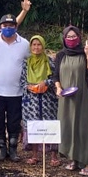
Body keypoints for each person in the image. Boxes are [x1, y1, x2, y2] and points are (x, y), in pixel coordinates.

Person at [0, 14, 30, 161]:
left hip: (16, 92)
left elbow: (31, 64)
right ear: (0, 28)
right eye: (5, 26)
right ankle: (2, 149)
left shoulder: (25, 44)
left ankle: (13, 150)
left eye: (11, 26)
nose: (8, 28)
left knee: (14, 122)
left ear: (16, 27)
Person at [54, 26, 88, 175]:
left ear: (79, 37)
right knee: (68, 127)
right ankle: (72, 158)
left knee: (83, 127)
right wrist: (58, 88)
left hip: (83, 96)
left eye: (74, 36)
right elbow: (55, 76)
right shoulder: (60, 55)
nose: (71, 39)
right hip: (66, 97)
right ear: (64, 38)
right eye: (69, 37)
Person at [21, 35, 60, 166]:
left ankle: (54, 157)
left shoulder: (49, 61)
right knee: (33, 126)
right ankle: (34, 155)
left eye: (39, 45)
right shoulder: (26, 62)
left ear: (43, 46)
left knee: (50, 125)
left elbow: (56, 78)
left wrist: (46, 83)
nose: (36, 47)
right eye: (34, 45)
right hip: (31, 100)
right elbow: (22, 81)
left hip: (48, 99)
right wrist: (30, 87)